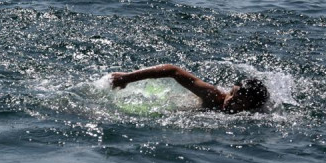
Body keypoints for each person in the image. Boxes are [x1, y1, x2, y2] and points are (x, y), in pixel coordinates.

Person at [109, 64, 269, 113]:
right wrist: (127, 78)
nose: (230, 100)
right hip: (163, 103)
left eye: (239, 101)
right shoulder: (213, 96)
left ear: (250, 107)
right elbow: (172, 70)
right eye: (231, 93)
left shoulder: (254, 114)